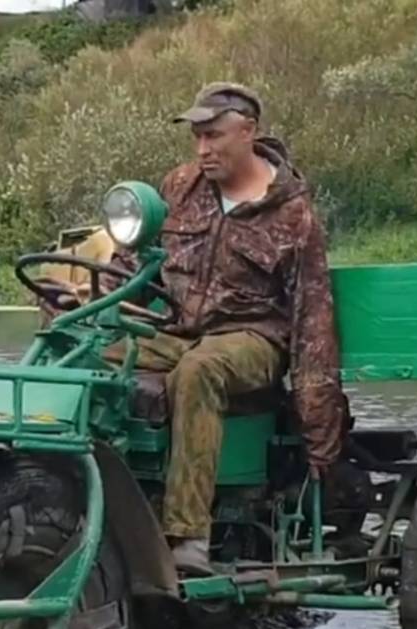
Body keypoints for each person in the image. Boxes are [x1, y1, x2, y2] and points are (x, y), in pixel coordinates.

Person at [107, 82, 346, 576]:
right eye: (196, 137)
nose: (202, 149)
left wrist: (319, 429)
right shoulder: (180, 187)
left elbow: (312, 321)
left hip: (253, 338)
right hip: (177, 327)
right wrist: (98, 310)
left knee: (200, 371)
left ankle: (188, 538)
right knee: (94, 360)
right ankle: (93, 501)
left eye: (213, 135)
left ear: (248, 131)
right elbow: (131, 266)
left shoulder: (293, 213)